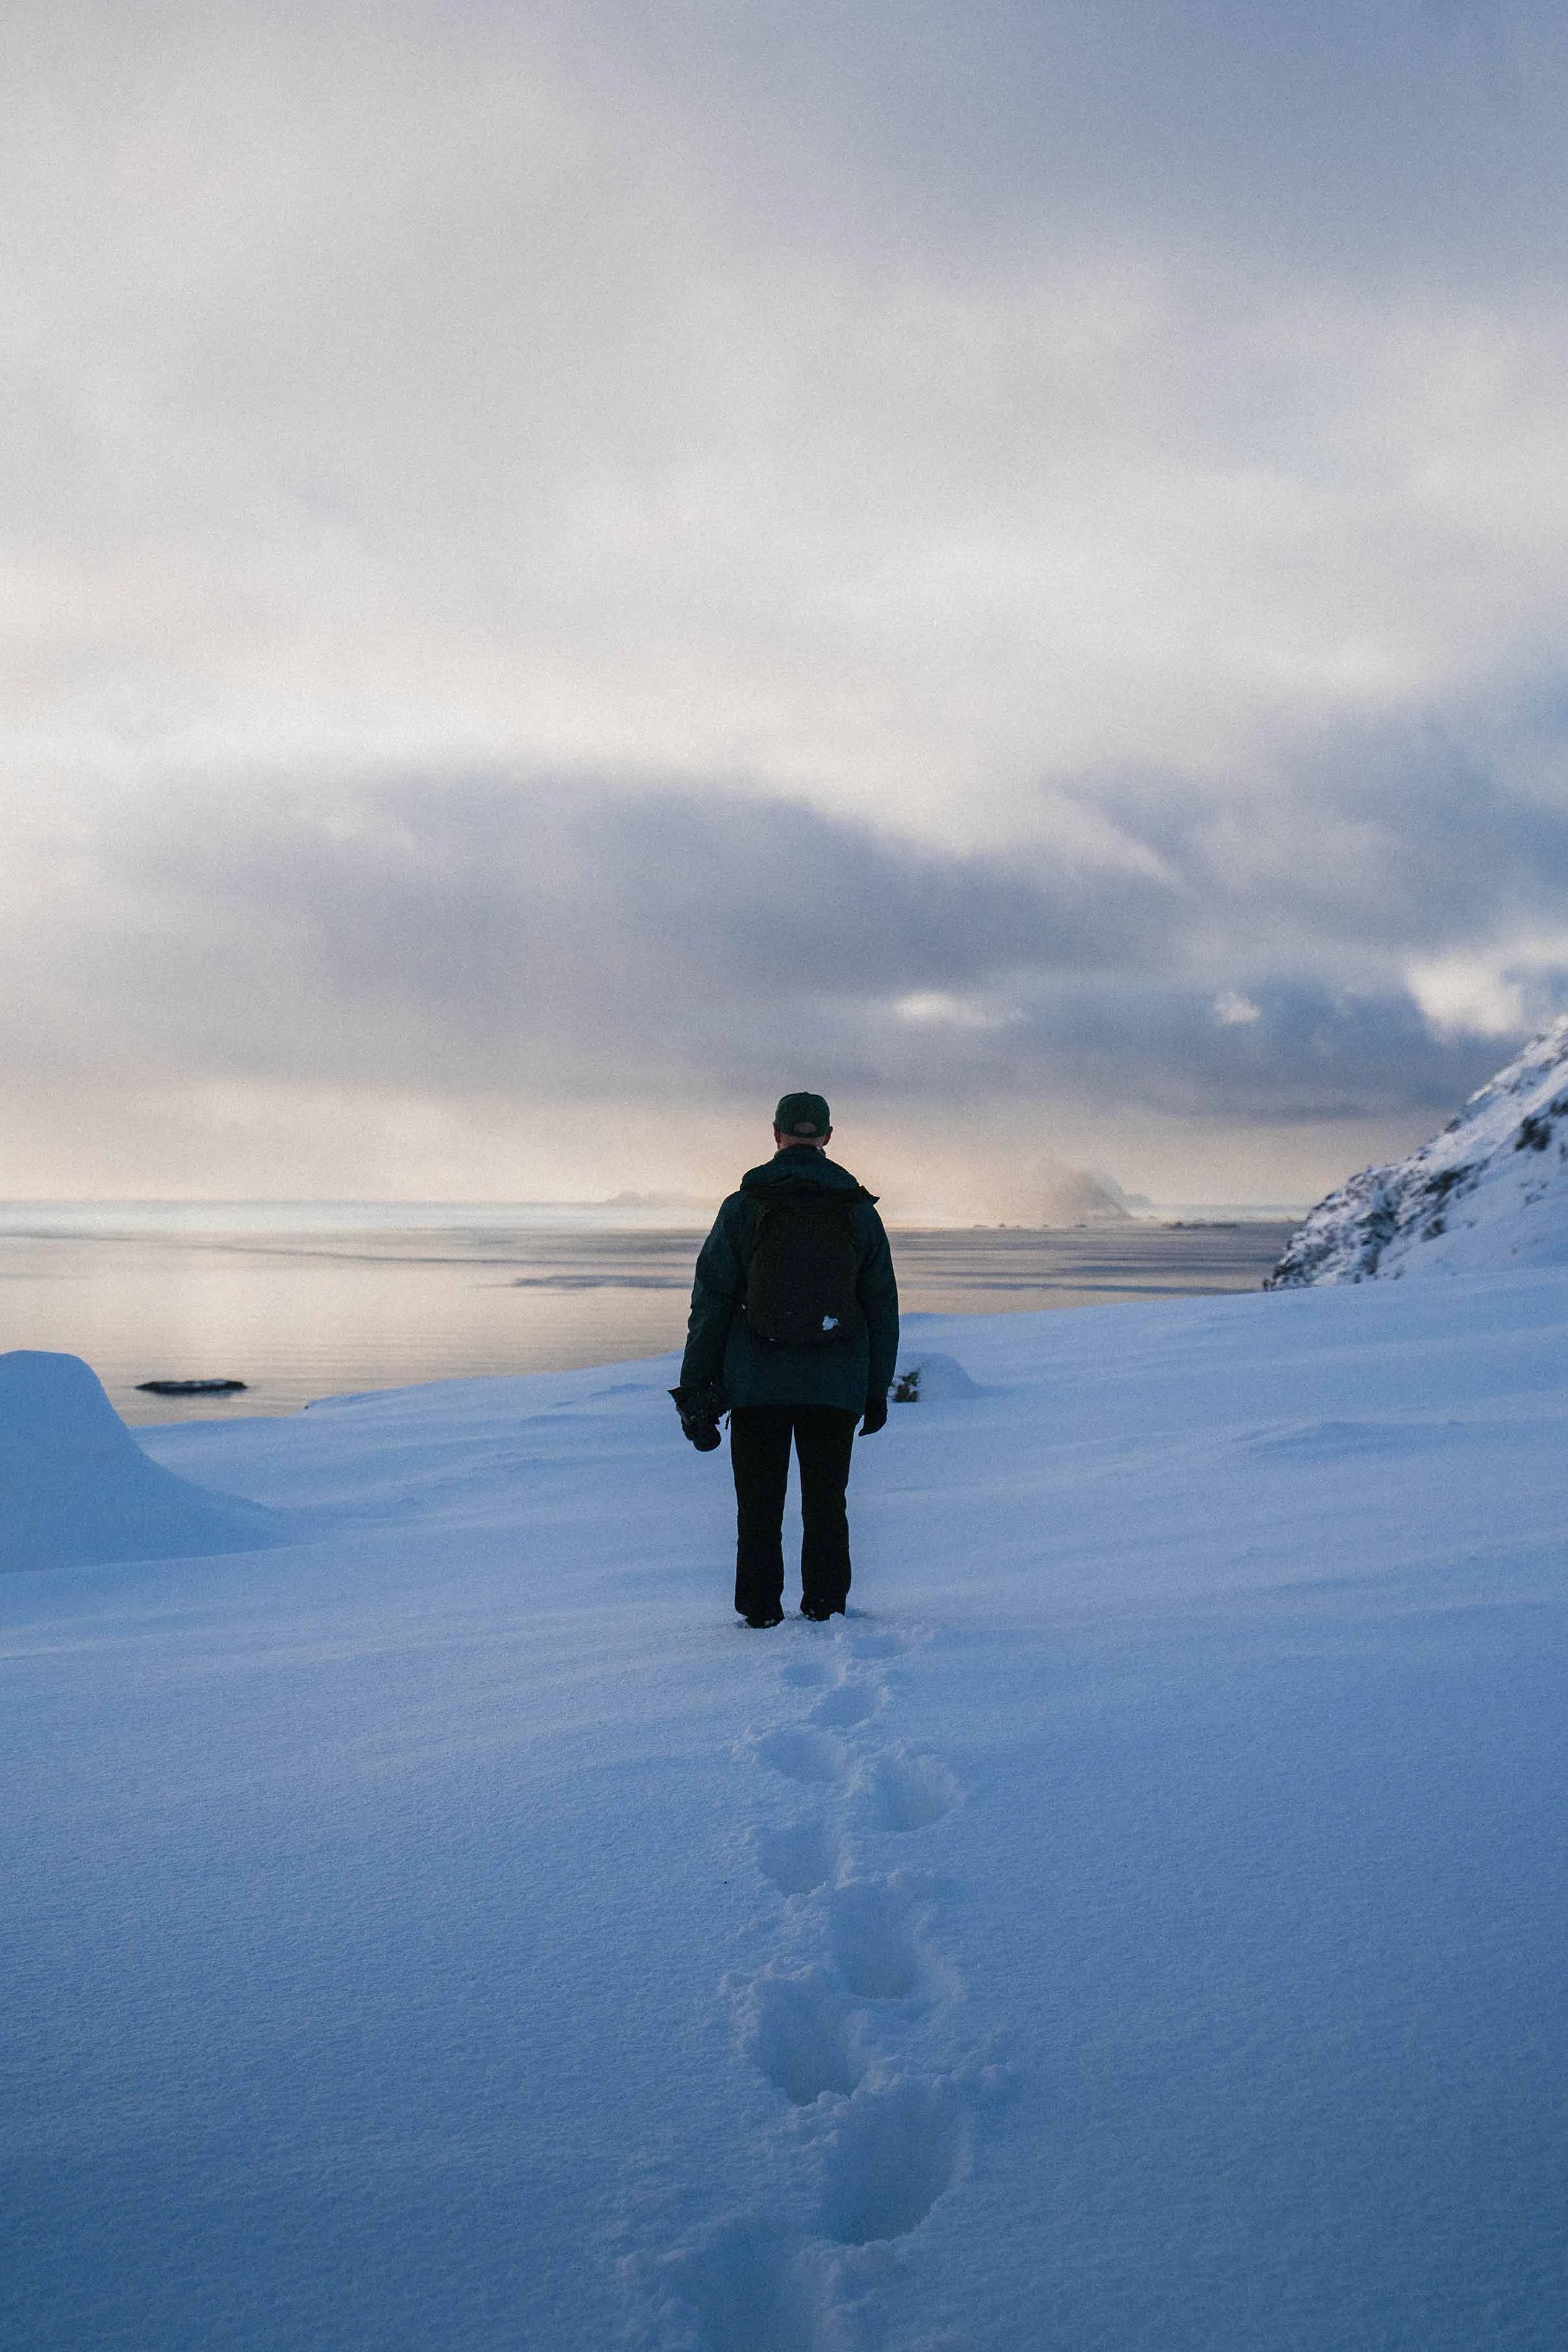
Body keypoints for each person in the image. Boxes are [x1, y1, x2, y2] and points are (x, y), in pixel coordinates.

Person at [671, 1093, 899, 1626]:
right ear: (827, 1136)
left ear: (775, 1134)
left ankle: (759, 1613)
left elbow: (711, 1301)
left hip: (757, 1384)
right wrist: (875, 1389)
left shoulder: (743, 1207)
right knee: (827, 1504)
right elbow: (881, 1308)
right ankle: (826, 1607)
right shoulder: (857, 1211)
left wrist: (696, 1385)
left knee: (758, 1508)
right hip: (835, 1385)